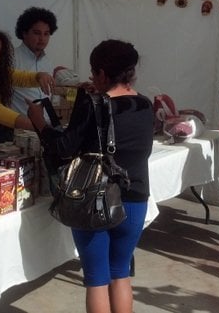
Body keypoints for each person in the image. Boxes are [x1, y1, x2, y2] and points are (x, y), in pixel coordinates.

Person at [27, 39, 154, 313]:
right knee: (121, 272)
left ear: (102, 74)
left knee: (97, 279)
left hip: (93, 198)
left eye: (94, 72)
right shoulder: (145, 105)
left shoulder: (91, 105)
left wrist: (39, 121)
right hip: (135, 197)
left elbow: (63, 148)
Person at [10, 7, 58, 115]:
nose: (42, 38)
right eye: (37, 33)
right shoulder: (11, 58)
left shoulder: (47, 62)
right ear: (24, 33)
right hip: (19, 127)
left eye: (46, 34)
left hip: (45, 126)